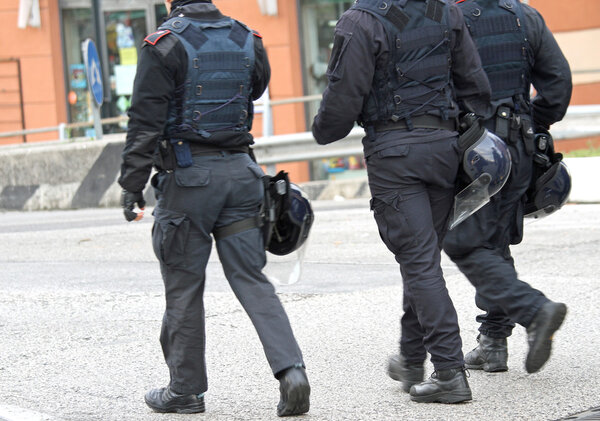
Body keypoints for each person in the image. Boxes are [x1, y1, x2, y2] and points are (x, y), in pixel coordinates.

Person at [118, 0, 310, 416]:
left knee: (184, 287)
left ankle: (186, 391)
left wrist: (132, 187)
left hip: (189, 183)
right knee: (252, 280)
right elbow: (255, 89)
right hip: (243, 176)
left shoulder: (162, 44)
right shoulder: (247, 37)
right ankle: (292, 372)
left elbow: (144, 122)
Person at [312, 0, 492, 404]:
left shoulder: (361, 21)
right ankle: (412, 359)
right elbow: (475, 85)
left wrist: (322, 130)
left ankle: (449, 372)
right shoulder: (445, 11)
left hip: (396, 155)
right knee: (423, 255)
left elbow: (342, 99)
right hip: (446, 149)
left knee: (420, 262)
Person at [443, 0, 572, 374]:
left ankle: (535, 311)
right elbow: (558, 86)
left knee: (465, 243)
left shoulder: (449, 19)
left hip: (474, 151)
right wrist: (530, 123)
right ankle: (493, 343)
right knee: (493, 240)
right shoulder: (525, 16)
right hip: (520, 146)